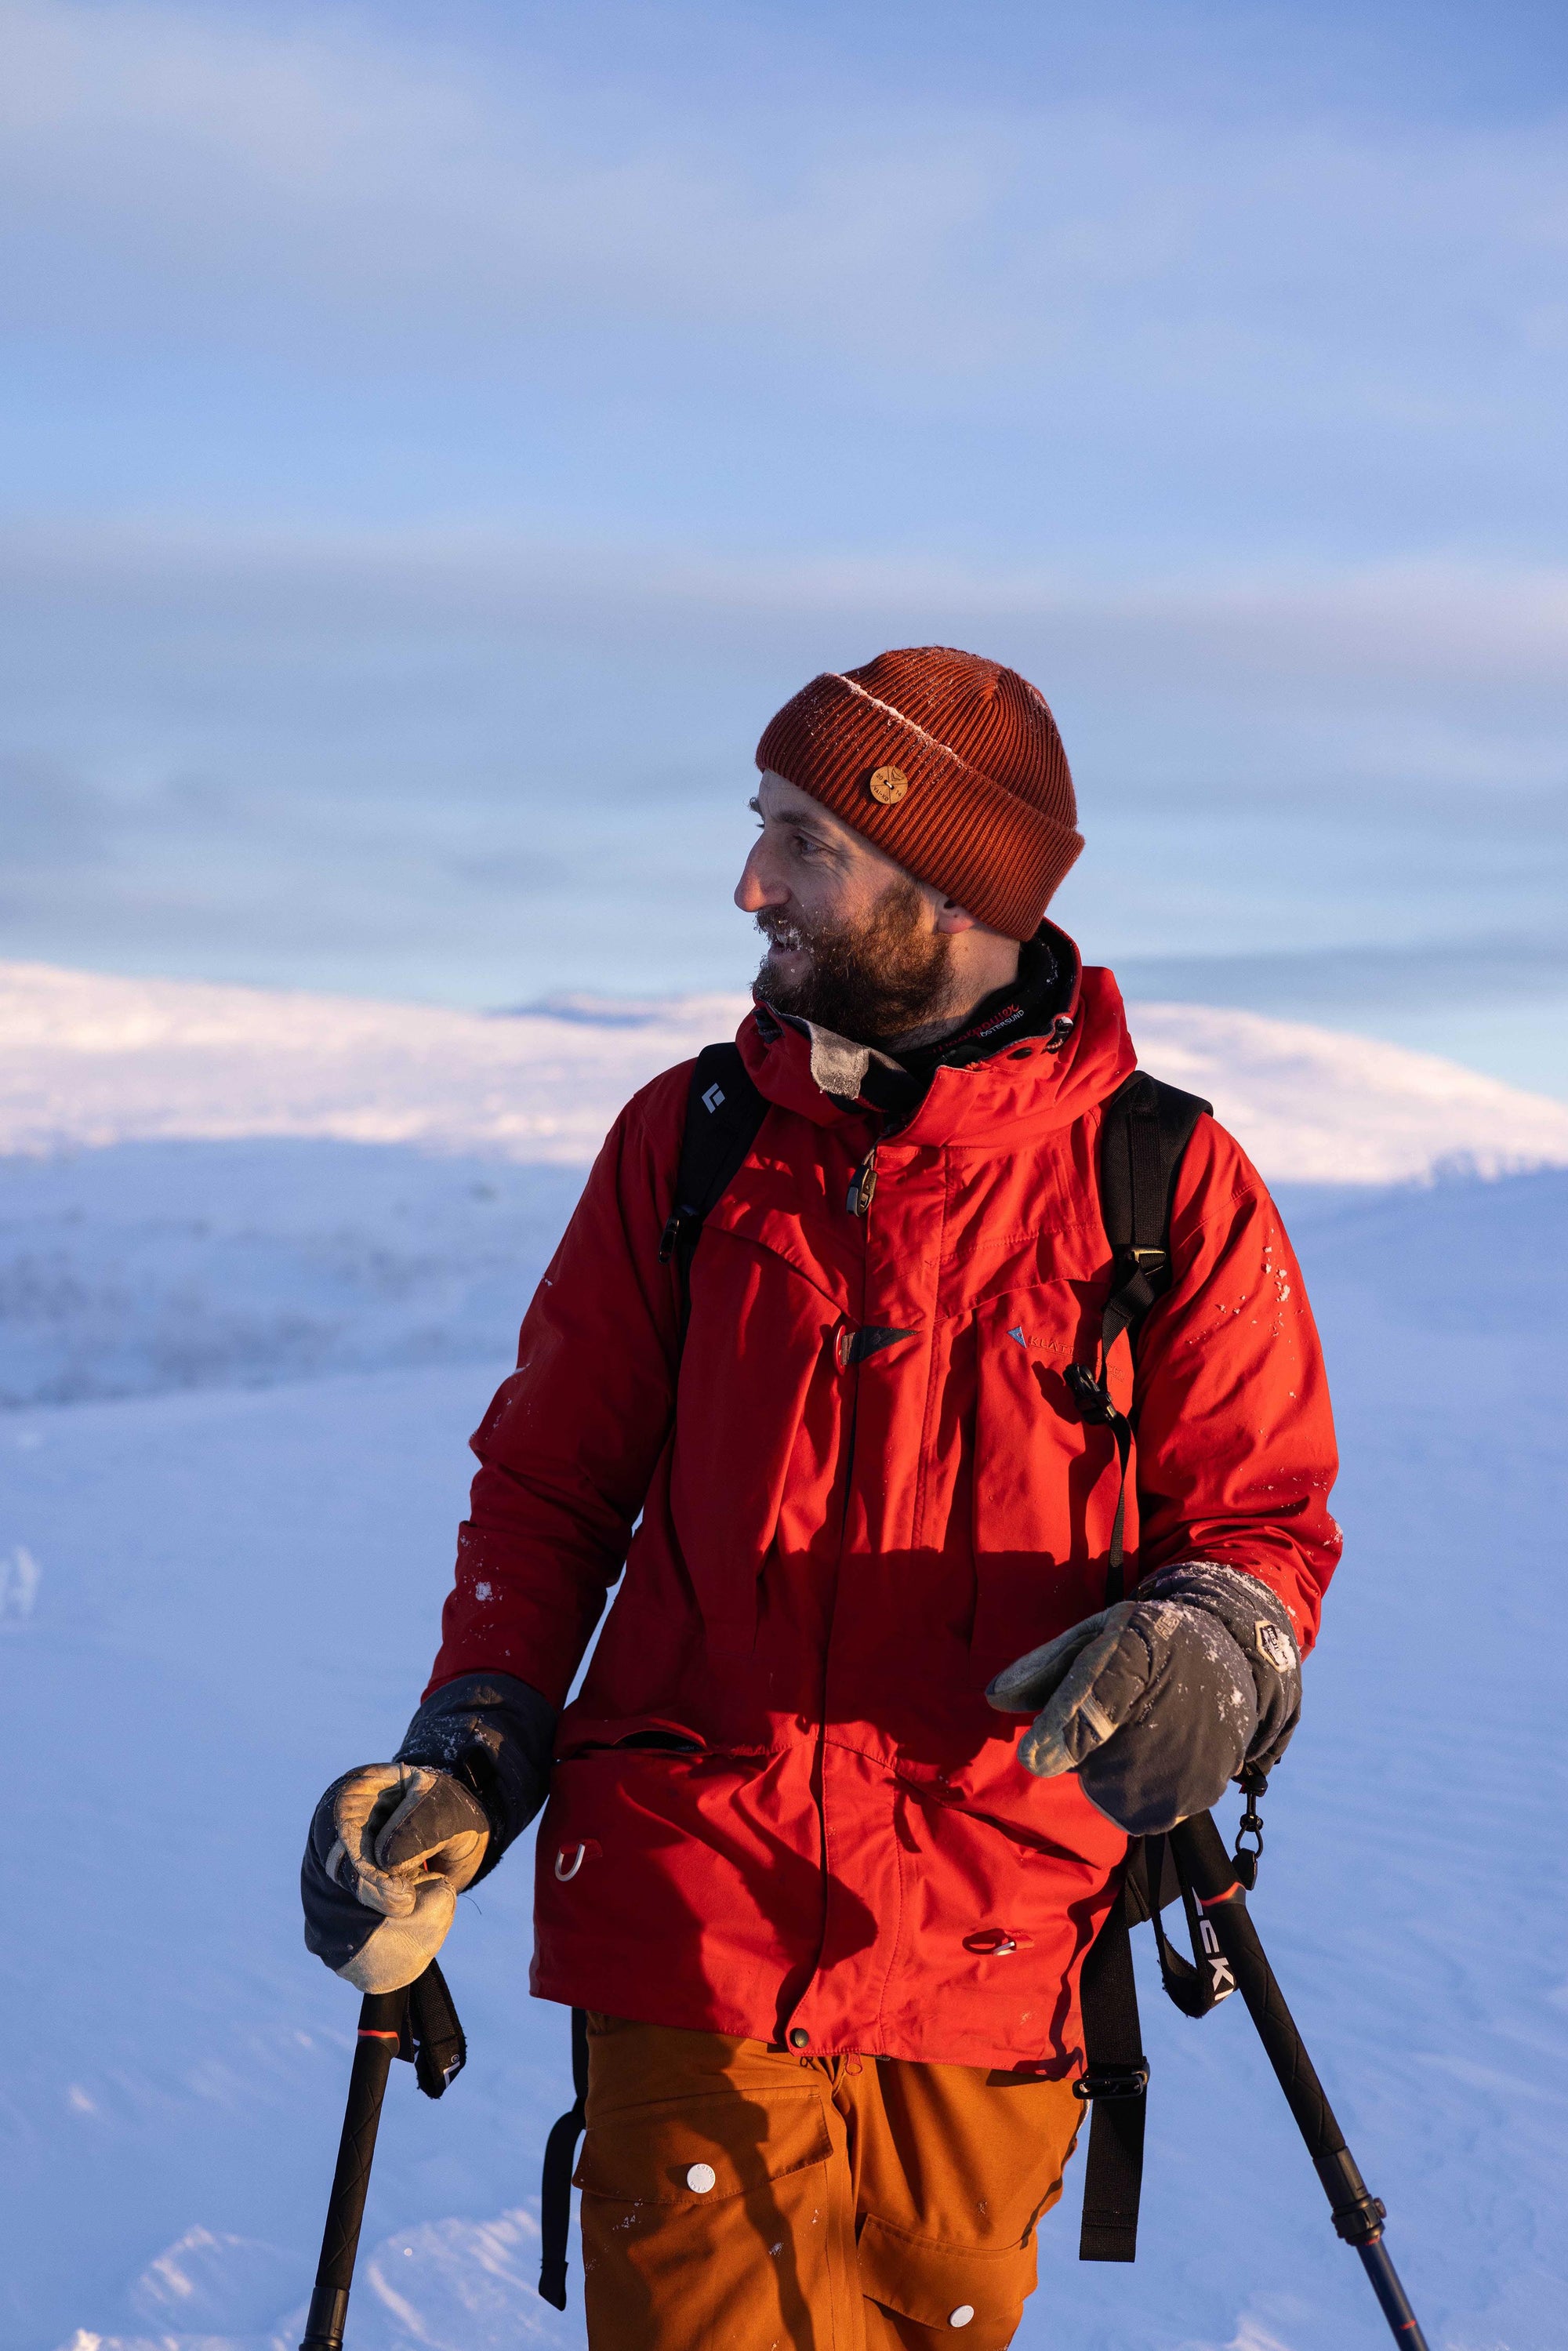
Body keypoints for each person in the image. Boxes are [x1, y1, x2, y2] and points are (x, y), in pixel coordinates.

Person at [302, 646, 1339, 2349]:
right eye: (758, 826)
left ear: (939, 884)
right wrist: (478, 1729)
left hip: (995, 1935)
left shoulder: (1165, 1183)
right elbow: (552, 1484)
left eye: (799, 839)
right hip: (691, 1912)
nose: (748, 882)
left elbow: (1260, 1519)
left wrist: (1213, 1645)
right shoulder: (691, 1144)